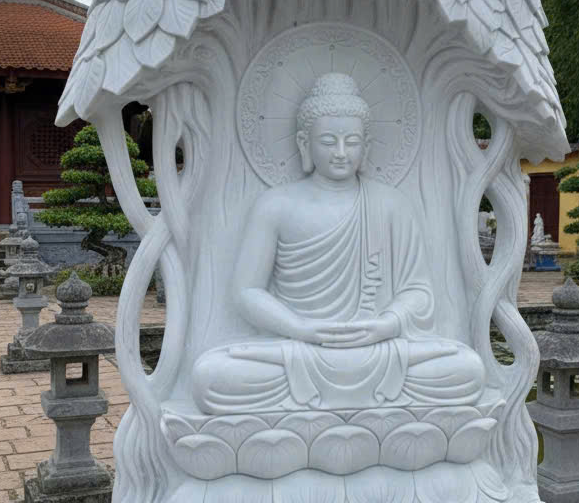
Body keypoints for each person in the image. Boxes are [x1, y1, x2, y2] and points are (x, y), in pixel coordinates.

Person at [193, 73, 484, 413]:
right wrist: (300, 328)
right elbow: (247, 292)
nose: (341, 153)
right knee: (211, 377)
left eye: (352, 142)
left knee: (467, 369)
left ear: (367, 145)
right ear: (304, 142)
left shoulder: (392, 205)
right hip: (299, 350)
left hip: (380, 352)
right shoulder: (276, 205)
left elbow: (418, 291)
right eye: (329, 141)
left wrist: (387, 325)